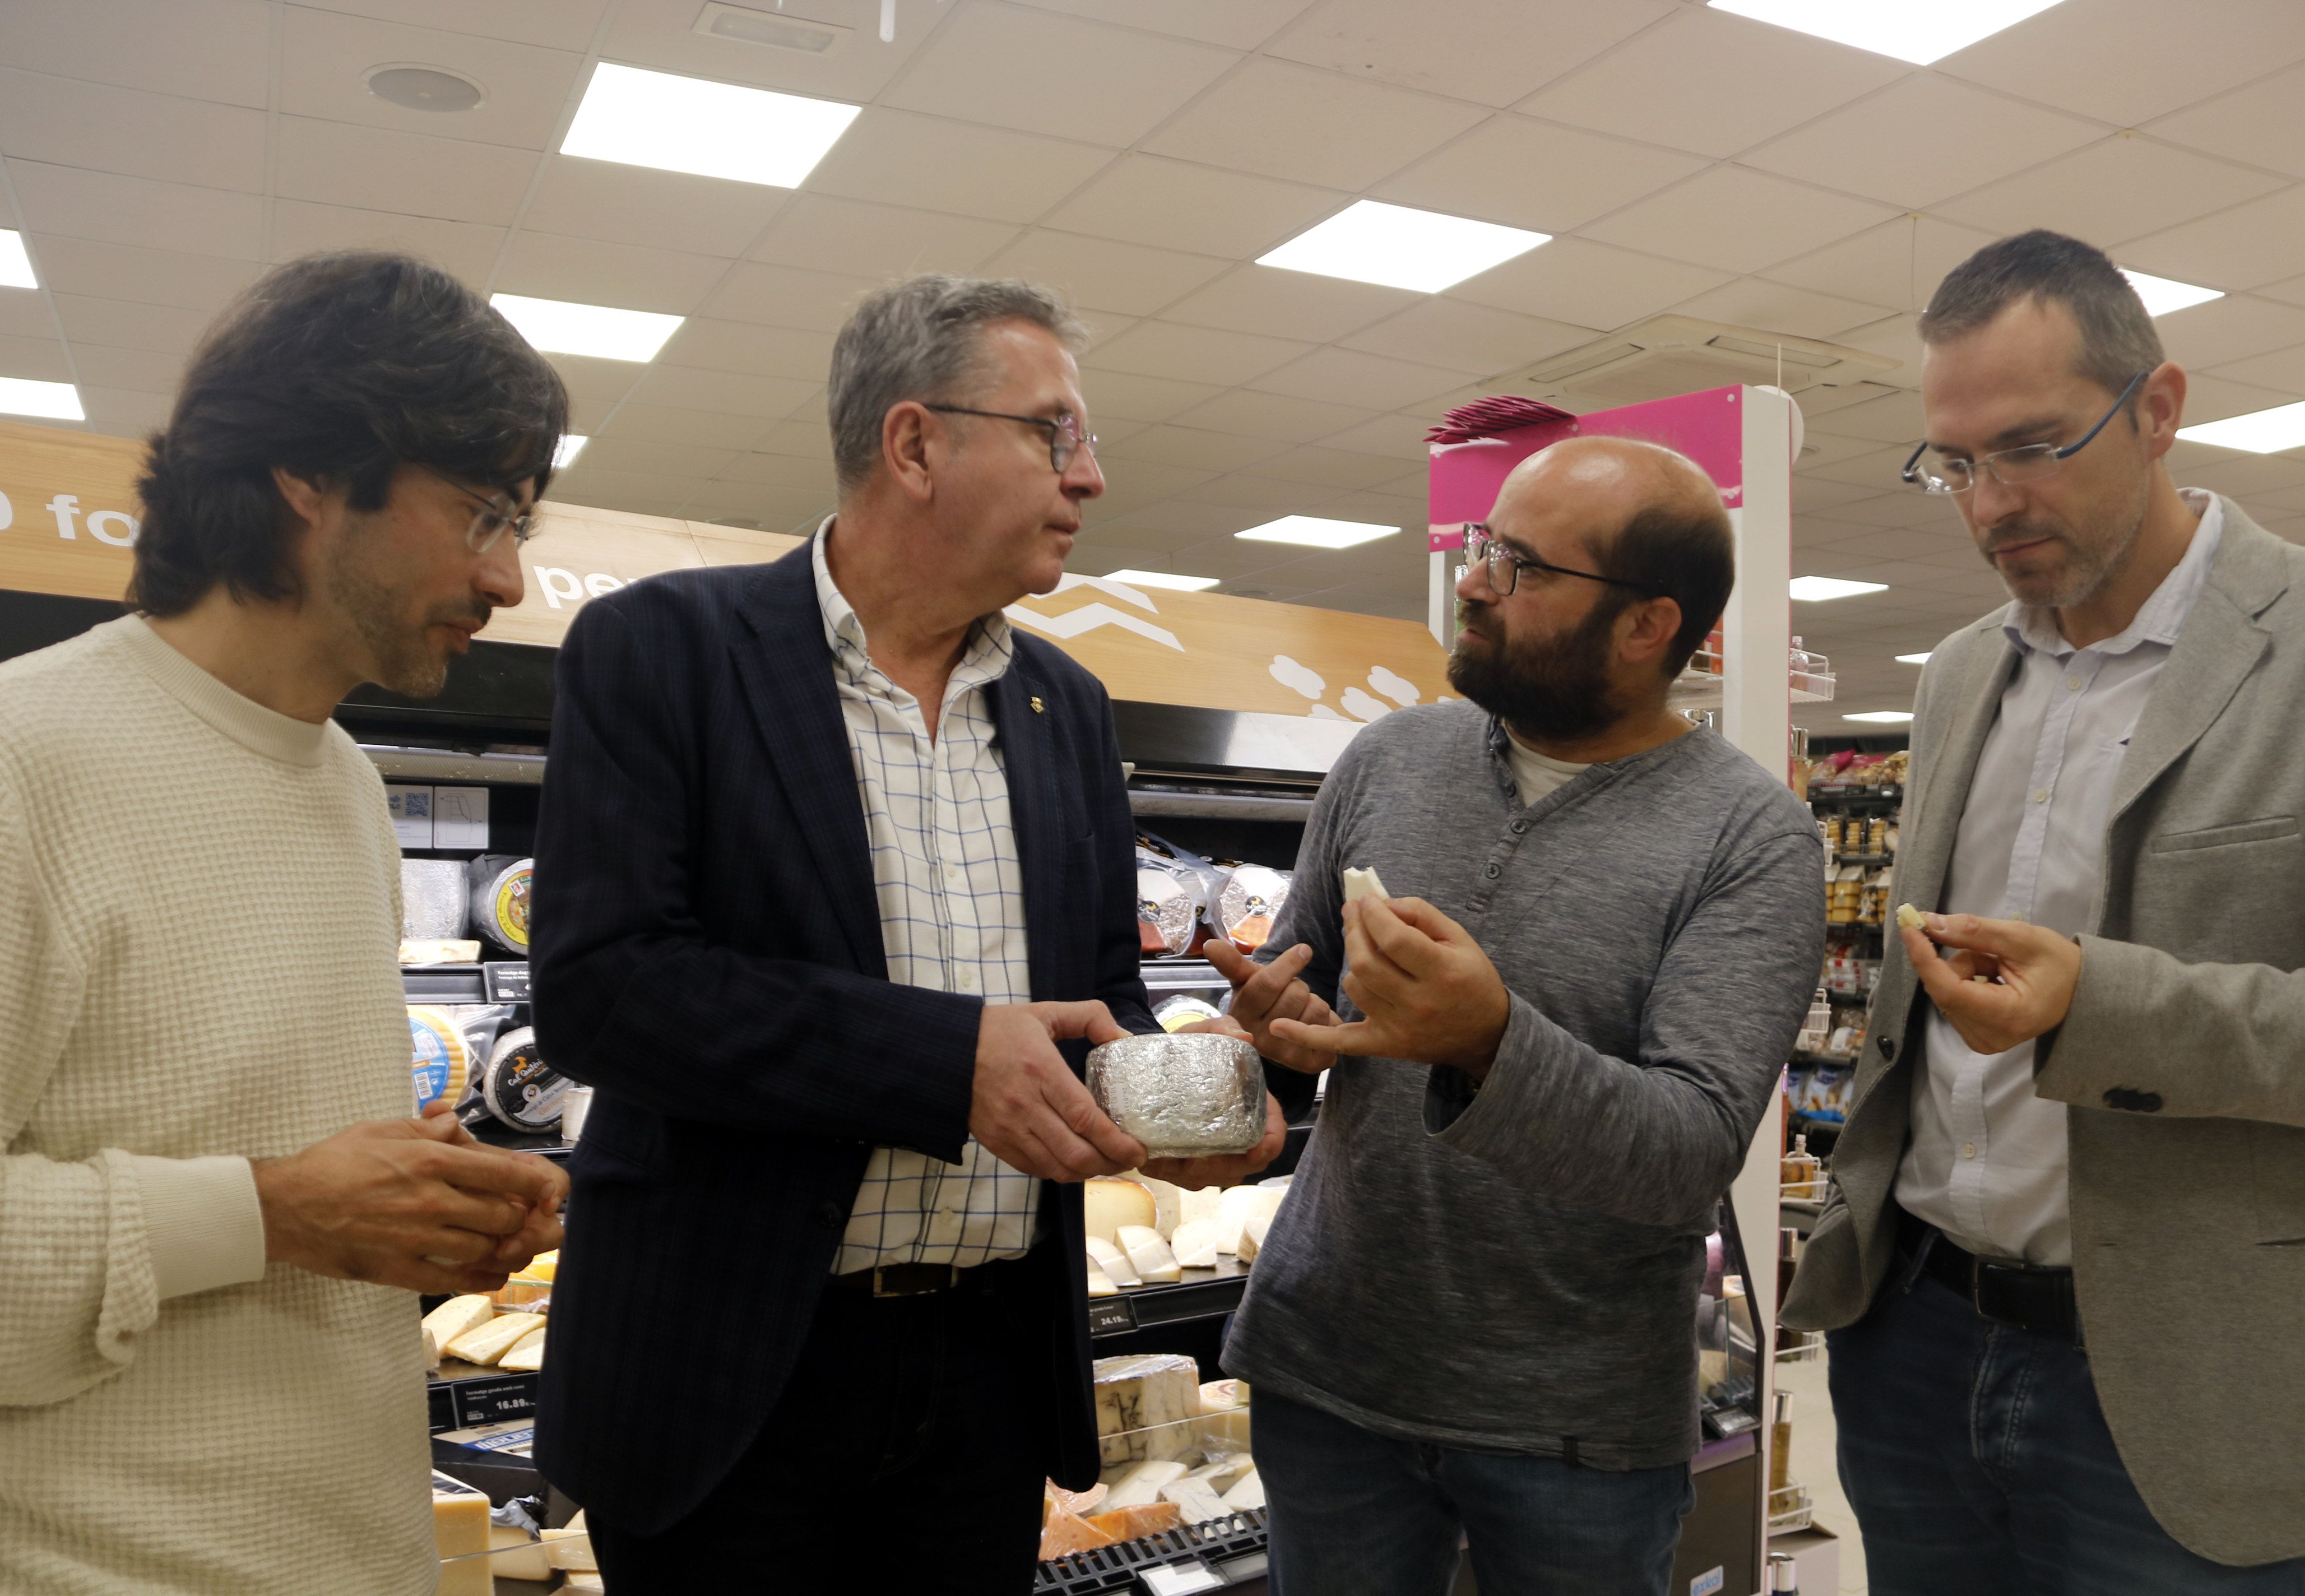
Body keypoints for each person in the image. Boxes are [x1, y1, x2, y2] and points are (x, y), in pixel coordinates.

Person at [529, 273, 1283, 1593]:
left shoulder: (1068, 706)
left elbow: (1103, 993)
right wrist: (944, 1061)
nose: (1091, 476)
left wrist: (1195, 1093)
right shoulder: (663, 649)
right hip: (730, 1376)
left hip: (986, 1378)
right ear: (915, 442)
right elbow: (606, 988)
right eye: (1056, 431)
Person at [0, 250, 571, 1595]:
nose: (507, 580)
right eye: (482, 512)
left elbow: (242, 1136)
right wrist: (272, 1212)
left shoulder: (342, 782)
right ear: (311, 476)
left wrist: (414, 1202)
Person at [1202, 435, 1826, 1595]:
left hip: (1573, 1426)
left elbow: (1689, 1151)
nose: (1475, 582)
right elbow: (1301, 1006)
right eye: (1482, 546)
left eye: (1522, 564)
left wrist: (1490, 1039)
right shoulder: (1390, 756)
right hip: (1329, 1370)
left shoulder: (1751, 838)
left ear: (1648, 625)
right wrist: (1264, 1061)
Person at [1784, 230, 2305, 1591]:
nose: (1988, 502)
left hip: (2186, 1382)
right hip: (1916, 1339)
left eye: (2031, 447)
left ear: (2161, 407)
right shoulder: (1963, 673)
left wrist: (2101, 1001)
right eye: (1955, 462)